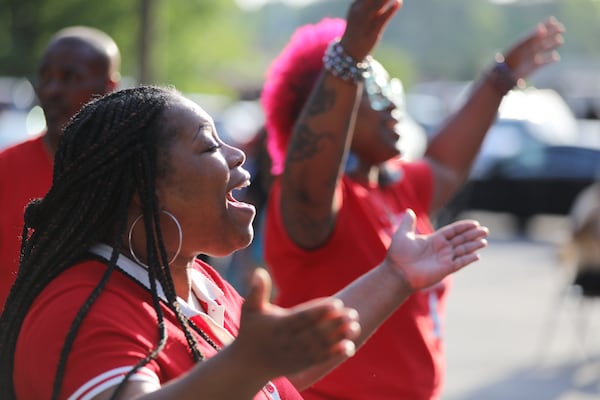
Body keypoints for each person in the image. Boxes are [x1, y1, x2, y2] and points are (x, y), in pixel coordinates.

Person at [0, 80, 488, 399]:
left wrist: (395, 276)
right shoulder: (83, 306)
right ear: (140, 189)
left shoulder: (196, 283)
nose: (237, 155)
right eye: (209, 145)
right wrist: (246, 361)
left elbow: (274, 372)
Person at [260, 0, 565, 398]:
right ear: (335, 106)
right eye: (373, 88)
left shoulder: (396, 186)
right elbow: (311, 173)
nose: (390, 102)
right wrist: (347, 57)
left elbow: (447, 164)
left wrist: (498, 80)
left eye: (391, 88)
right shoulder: (310, 204)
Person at [0, 26, 121, 312]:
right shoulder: (5, 168)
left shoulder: (134, 174)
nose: (52, 90)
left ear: (109, 87)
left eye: (70, 78)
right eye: (45, 77)